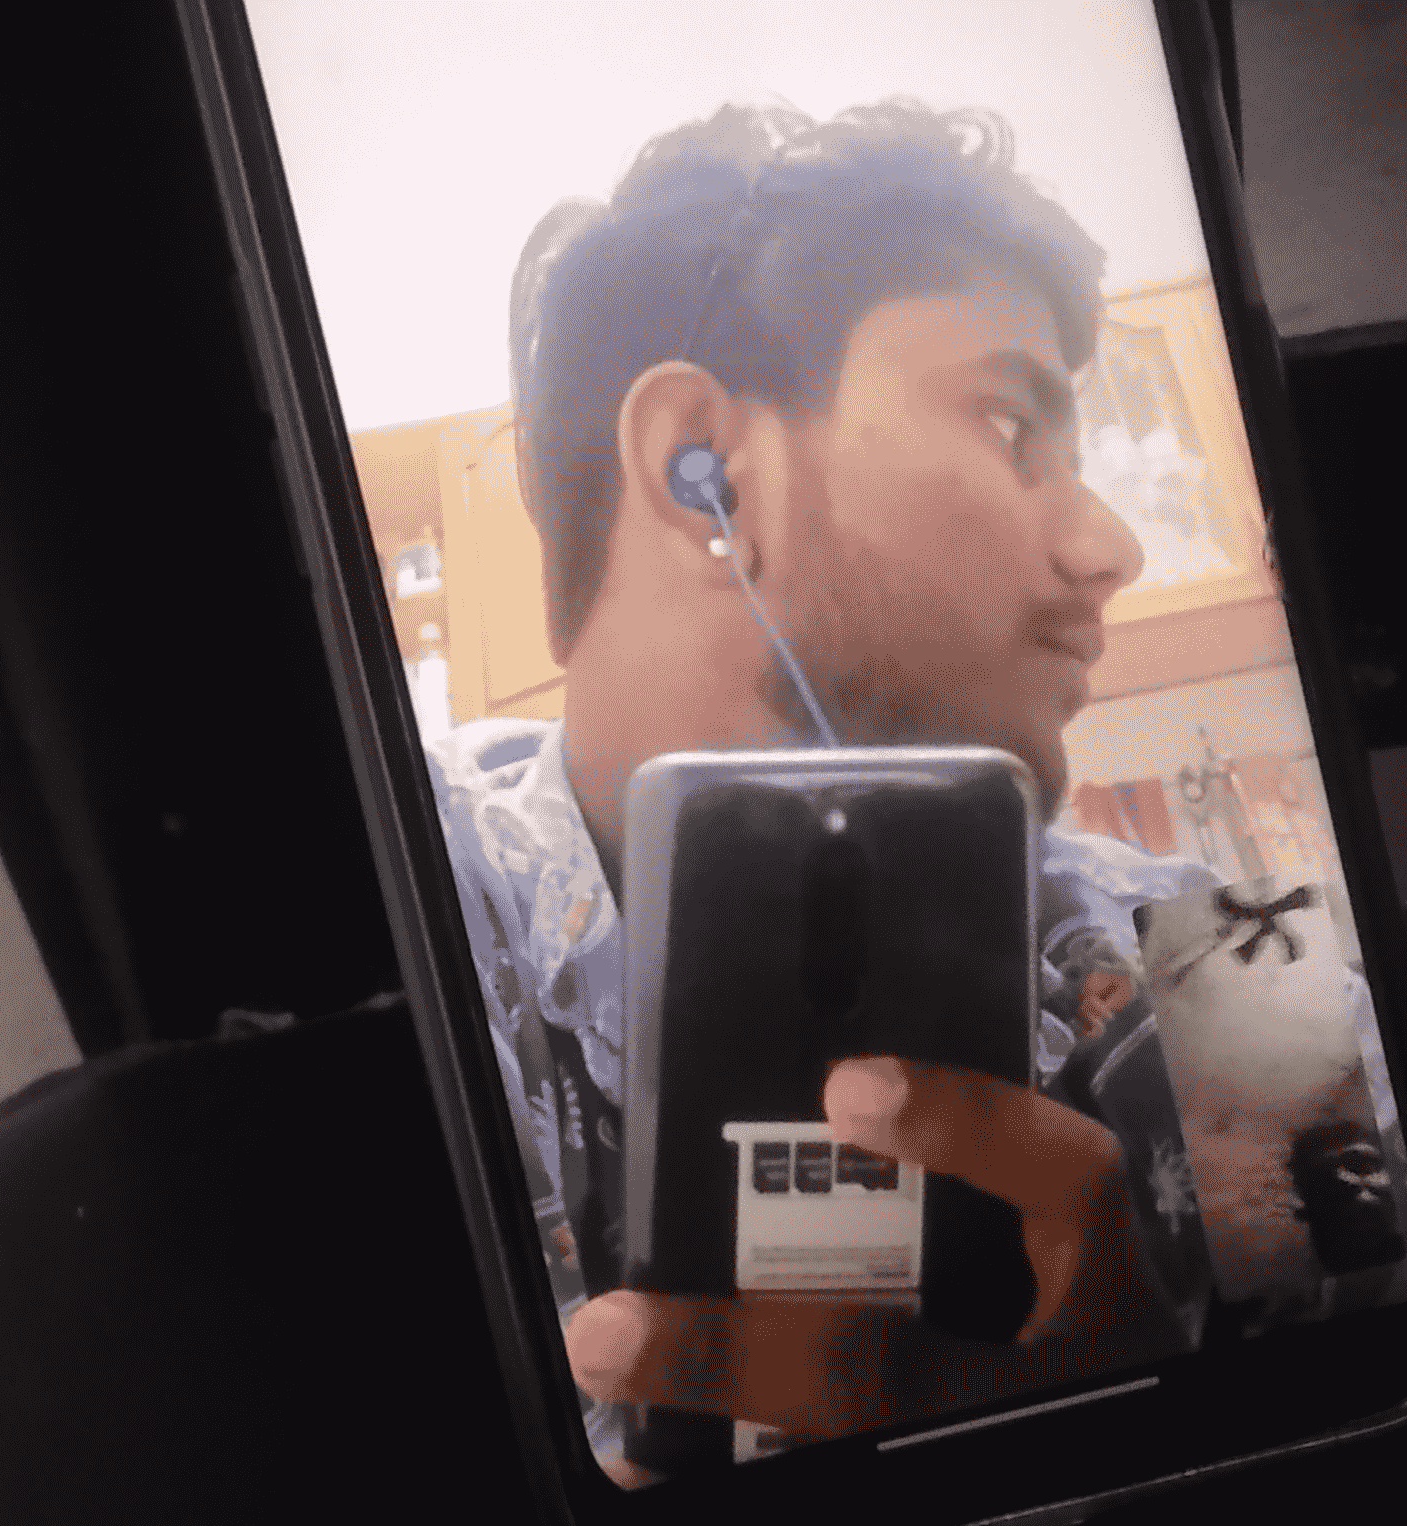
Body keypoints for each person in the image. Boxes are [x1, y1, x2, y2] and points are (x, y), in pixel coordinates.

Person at [421, 99, 1226, 1482]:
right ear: (706, 468)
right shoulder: (386, 919)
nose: (1110, 549)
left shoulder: (1208, 959)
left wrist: (1184, 1436)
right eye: (1007, 421)